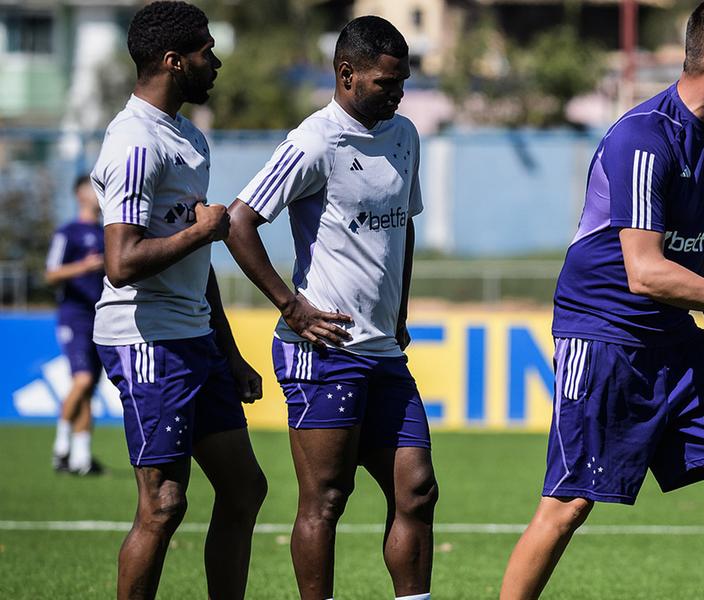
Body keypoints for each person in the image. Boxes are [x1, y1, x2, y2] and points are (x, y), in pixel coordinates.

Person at [499, 2, 704, 599]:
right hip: (604, 333)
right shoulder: (643, 137)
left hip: (674, 340)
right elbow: (646, 273)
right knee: (569, 503)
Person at [224, 16, 434, 600]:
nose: (397, 94)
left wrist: (399, 314)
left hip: (384, 349)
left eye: (403, 82)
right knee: (327, 498)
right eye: (385, 83)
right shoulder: (314, 141)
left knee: (417, 489)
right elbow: (239, 221)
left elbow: (403, 230)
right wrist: (291, 306)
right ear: (346, 74)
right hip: (326, 350)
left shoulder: (405, 135)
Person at [90, 2, 267, 598]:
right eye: (205, 52)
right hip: (147, 341)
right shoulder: (135, 142)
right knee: (163, 503)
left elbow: (196, 258)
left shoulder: (187, 137)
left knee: (244, 488)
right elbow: (121, 263)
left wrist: (230, 351)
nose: (214, 63)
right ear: (173, 61)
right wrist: (202, 230)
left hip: (193, 337)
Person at [46, 175, 106, 475]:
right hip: (74, 315)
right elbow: (51, 274)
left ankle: (81, 459)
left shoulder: (109, 232)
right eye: (93, 188)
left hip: (102, 318)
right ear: (79, 193)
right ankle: (61, 447)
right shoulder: (67, 232)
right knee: (81, 380)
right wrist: (83, 266)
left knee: (89, 389)